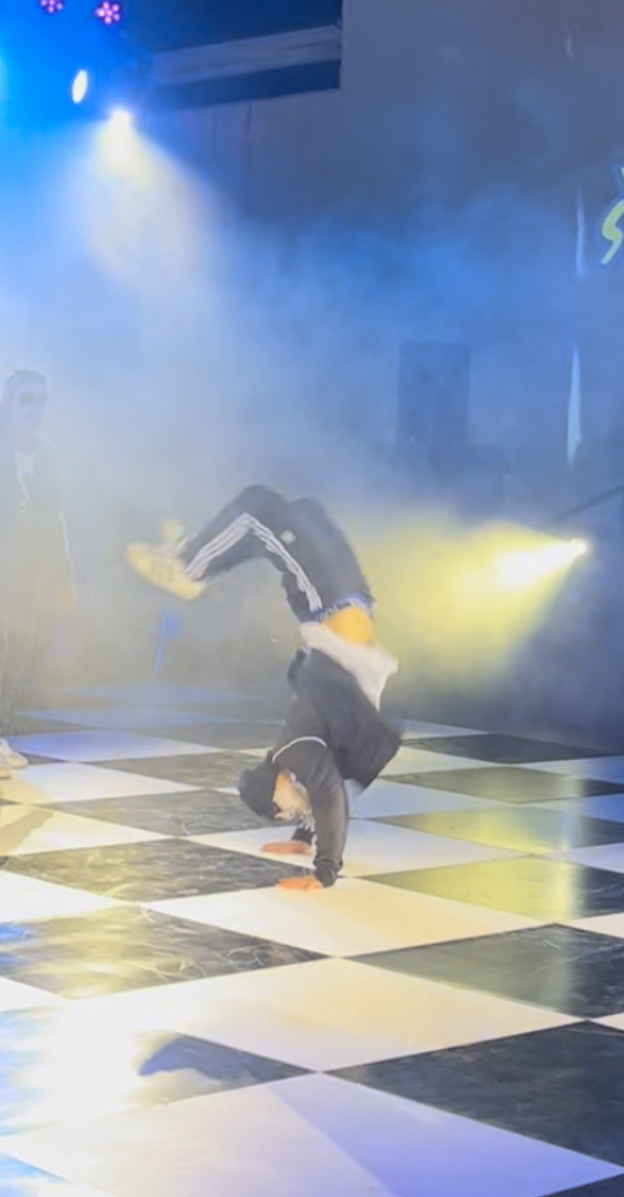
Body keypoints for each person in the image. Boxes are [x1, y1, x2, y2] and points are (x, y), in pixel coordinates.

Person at [126, 485, 400, 888]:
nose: (291, 812)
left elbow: (326, 792)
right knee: (261, 509)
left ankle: (190, 561)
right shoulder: (300, 755)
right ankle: (189, 567)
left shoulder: (295, 752)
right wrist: (323, 869)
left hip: (337, 607)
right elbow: (329, 795)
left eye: (282, 811)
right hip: (333, 605)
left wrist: (304, 836)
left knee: (299, 509)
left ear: (278, 785)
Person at [0, 371, 73, 775]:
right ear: (9, 402)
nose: (34, 409)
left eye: (40, 401)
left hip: (27, 571)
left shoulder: (50, 455)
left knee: (19, 651)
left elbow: (54, 517)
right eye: (26, 400)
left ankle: (1, 733)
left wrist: (62, 576)